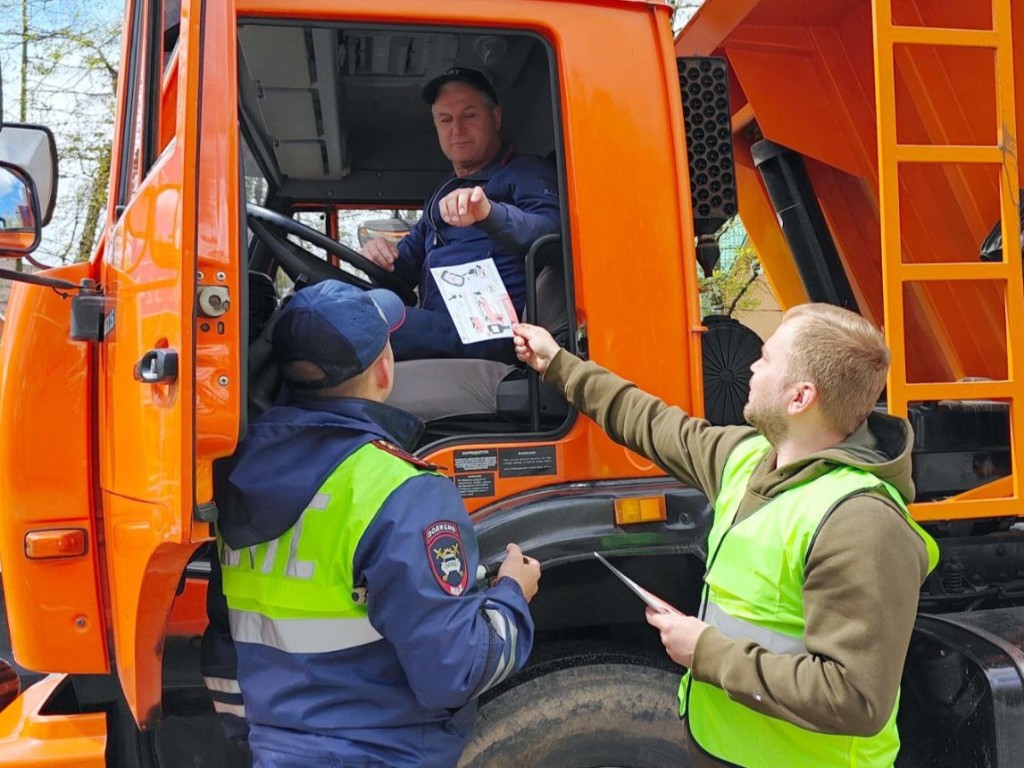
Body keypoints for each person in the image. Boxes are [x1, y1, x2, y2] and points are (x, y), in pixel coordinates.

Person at [512, 304, 939, 768]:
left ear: (800, 397)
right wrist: (555, 363)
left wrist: (706, 652)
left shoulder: (861, 523)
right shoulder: (748, 457)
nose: (750, 364)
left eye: (767, 358)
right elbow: (652, 422)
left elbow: (856, 699)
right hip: (724, 750)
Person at [201, 279, 542, 768]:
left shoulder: (233, 479)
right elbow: (455, 672)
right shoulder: (401, 491)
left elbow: (224, 647)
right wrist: (512, 595)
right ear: (385, 369)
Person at [361, 67, 560, 364]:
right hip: (443, 326)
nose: (457, 129)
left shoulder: (525, 172)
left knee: (358, 318)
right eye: (445, 119)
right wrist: (379, 258)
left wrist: (489, 213)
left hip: (492, 333)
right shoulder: (439, 198)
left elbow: (552, 232)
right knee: (341, 304)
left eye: (469, 115)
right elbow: (403, 268)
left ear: (495, 118)